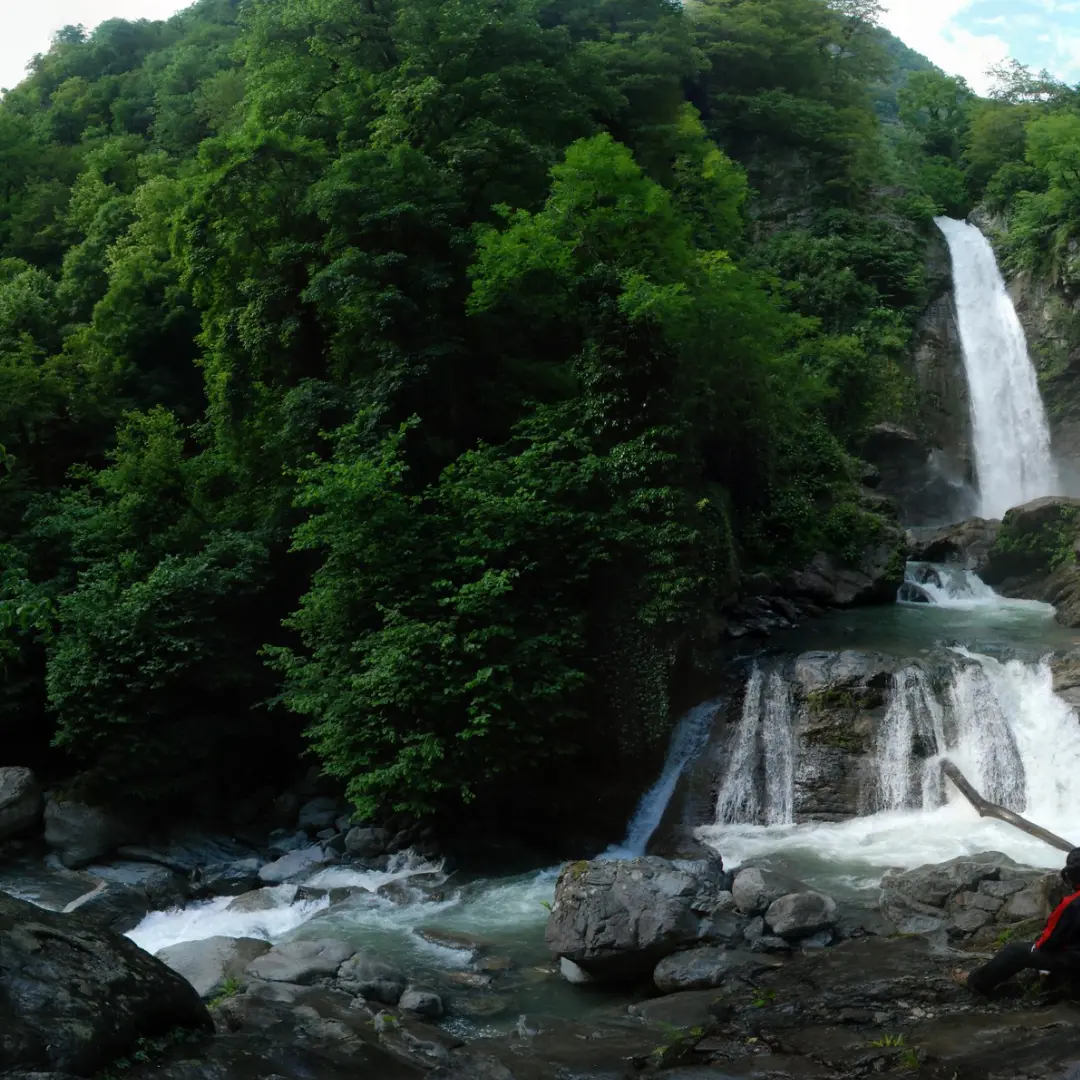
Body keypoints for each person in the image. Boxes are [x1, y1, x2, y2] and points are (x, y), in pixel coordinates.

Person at [954, 848, 1080, 994]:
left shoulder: (1071, 904)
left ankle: (976, 982)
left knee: (1015, 952)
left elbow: (1049, 942)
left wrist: (1038, 945)